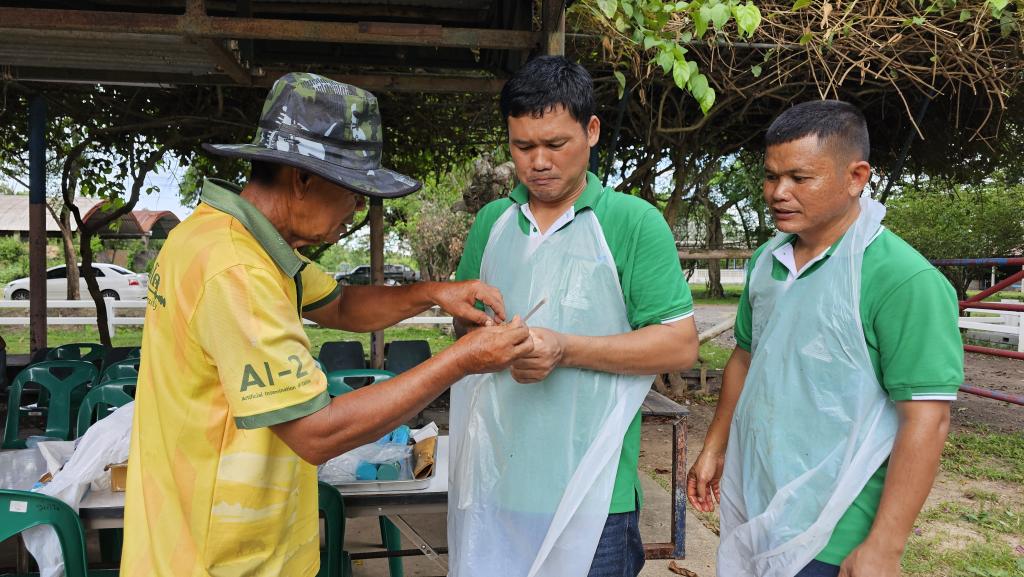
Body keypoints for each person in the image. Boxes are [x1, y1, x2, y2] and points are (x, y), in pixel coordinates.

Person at [120, 73, 533, 577]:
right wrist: (461, 360)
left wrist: (433, 292)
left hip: (196, 536)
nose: (357, 208)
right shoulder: (237, 271)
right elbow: (316, 433)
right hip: (218, 560)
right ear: (303, 179)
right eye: (354, 192)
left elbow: (341, 305)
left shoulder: (222, 236)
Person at [687, 100, 964, 577]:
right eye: (771, 176)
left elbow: (927, 418)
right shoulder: (768, 262)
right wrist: (715, 445)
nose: (779, 193)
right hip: (758, 501)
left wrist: (884, 546)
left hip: (837, 527)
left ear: (856, 177)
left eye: (800, 178)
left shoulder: (902, 279)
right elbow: (746, 359)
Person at [449, 56, 699, 577]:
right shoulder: (494, 222)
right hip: (497, 481)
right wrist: (486, 336)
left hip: (595, 494)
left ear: (591, 131)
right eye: (523, 147)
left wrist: (564, 348)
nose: (538, 162)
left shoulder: (632, 222)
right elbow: (463, 327)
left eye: (556, 144)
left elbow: (679, 344)